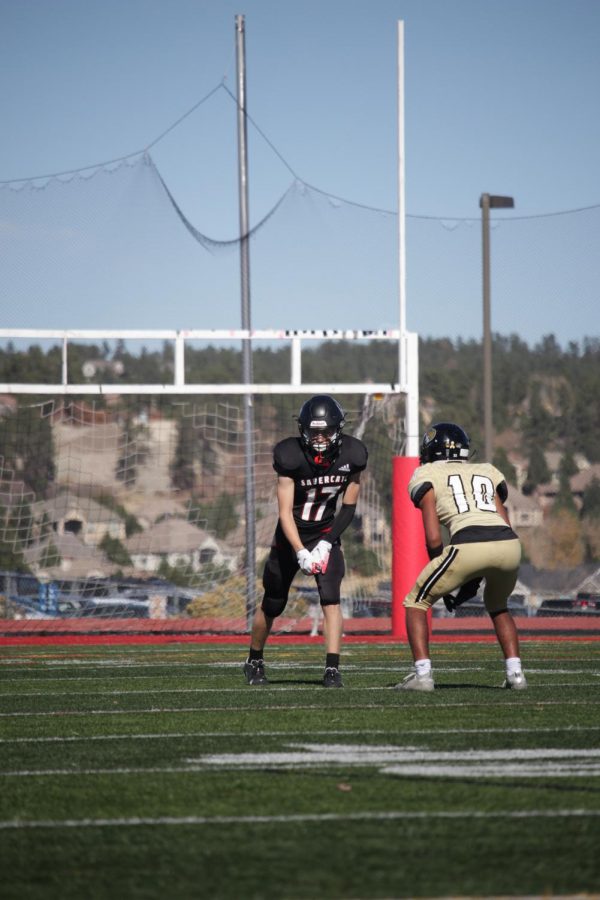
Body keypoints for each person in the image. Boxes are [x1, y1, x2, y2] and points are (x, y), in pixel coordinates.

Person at [243, 394, 368, 688]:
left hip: (326, 533)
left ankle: (333, 668)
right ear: (303, 430)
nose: (320, 438)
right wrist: (300, 551)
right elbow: (284, 513)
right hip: (290, 537)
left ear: (339, 429)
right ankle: (254, 659)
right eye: (314, 432)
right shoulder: (290, 455)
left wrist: (326, 543)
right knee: (273, 603)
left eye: (326, 431)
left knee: (331, 598)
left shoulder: (353, 454)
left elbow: (348, 508)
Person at [397, 422, 526, 692]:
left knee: (415, 603)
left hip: (468, 543)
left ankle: (422, 676)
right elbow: (504, 521)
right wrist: (472, 576)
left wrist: (442, 568)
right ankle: (516, 675)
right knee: (498, 605)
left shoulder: (426, 473)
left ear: (430, 450)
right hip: (509, 545)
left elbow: (434, 538)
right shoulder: (487, 470)